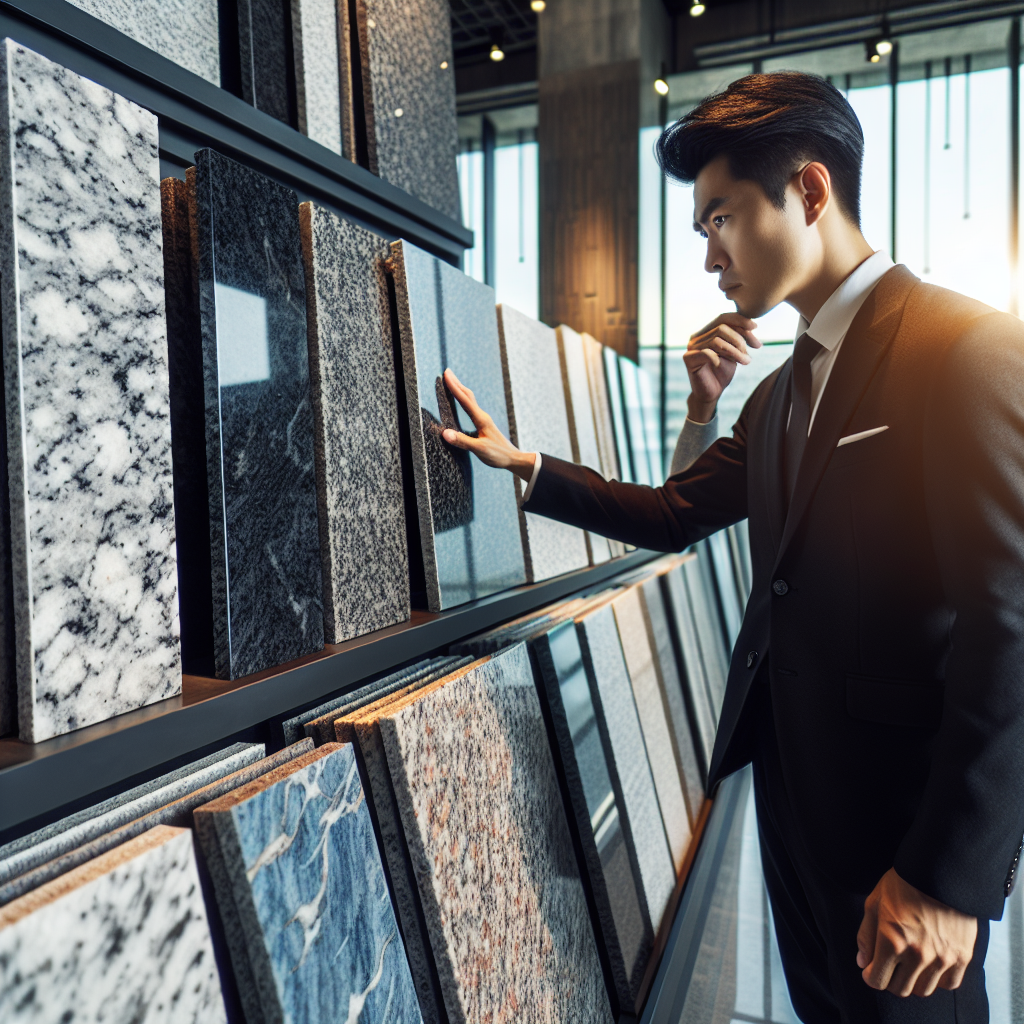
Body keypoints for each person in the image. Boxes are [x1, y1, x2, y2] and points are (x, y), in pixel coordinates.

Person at [438, 72, 1024, 1023]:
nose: (708, 255)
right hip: (793, 804)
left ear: (810, 190)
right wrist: (527, 464)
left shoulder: (965, 350)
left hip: (901, 834)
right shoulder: (779, 393)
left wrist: (951, 877)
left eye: (720, 218)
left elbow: (1013, 628)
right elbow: (675, 511)